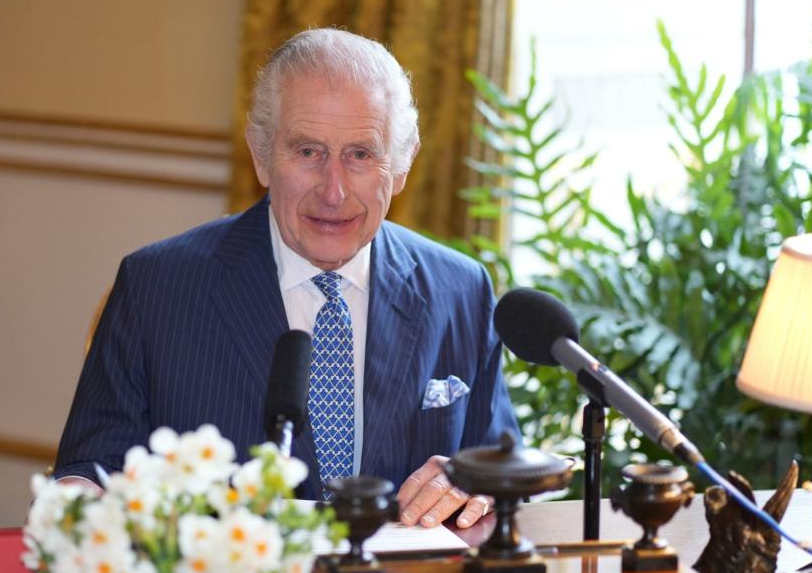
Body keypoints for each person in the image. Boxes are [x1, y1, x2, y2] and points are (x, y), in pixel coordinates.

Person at [54, 28, 517, 533]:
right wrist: (78, 503)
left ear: (401, 165)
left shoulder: (460, 289)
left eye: (361, 154)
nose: (334, 191)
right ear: (261, 155)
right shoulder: (156, 287)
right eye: (308, 152)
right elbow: (91, 471)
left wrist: (474, 482)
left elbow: (496, 460)